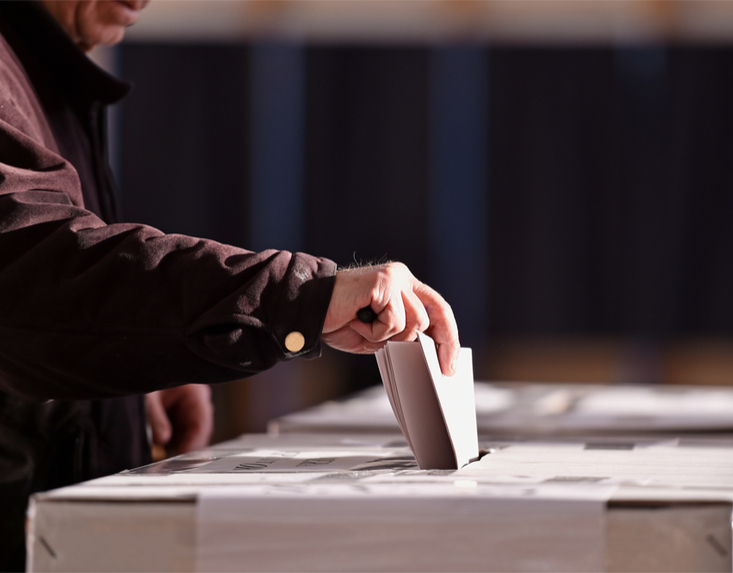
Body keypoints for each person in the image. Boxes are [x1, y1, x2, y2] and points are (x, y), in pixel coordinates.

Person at [0, 1, 459, 569]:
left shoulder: (42, 70)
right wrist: (301, 297)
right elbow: (29, 283)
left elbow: (51, 314)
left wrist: (128, 375)